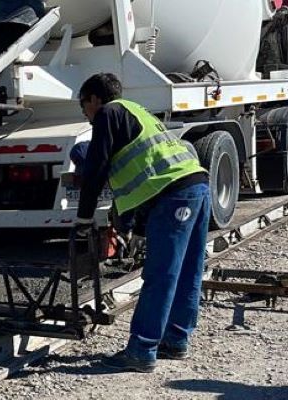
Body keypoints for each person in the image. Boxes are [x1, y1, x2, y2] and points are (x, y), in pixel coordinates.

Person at [74, 73, 210, 372]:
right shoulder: (136, 111)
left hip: (174, 194)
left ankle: (141, 350)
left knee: (162, 274)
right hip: (196, 187)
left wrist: (83, 217)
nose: (84, 114)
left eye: (83, 106)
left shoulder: (108, 113)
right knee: (188, 270)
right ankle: (176, 341)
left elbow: (96, 167)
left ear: (94, 99)